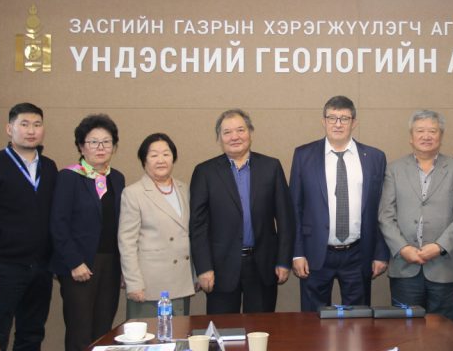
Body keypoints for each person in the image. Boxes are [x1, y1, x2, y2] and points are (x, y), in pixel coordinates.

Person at [0, 103, 58, 351]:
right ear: (10, 129)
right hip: (3, 268)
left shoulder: (49, 167)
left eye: (37, 125)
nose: (31, 130)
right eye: (24, 124)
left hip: (40, 268)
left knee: (32, 334)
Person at [190, 109, 294, 314]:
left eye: (240, 130)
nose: (235, 136)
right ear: (219, 138)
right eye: (227, 132)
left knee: (261, 328)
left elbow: (285, 219)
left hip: (263, 265)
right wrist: (203, 267)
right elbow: (197, 226)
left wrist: (284, 260)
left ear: (250, 132)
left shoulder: (271, 167)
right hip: (220, 268)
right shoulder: (205, 172)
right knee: (222, 329)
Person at [290, 95, 388, 311]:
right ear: (323, 121)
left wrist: (380, 253)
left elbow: (382, 209)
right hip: (315, 252)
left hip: (358, 253)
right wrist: (297, 252)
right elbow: (294, 208)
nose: (338, 124)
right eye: (332, 118)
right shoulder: (303, 155)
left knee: (358, 320)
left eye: (344, 118)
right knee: (313, 320)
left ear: (354, 123)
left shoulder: (374, 157)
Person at [378, 109, 453, 323]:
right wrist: (403, 248)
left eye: (432, 131)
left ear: (441, 135)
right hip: (405, 267)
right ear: (411, 137)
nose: (426, 136)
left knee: (444, 332)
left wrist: (439, 246)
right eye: (420, 131)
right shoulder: (394, 170)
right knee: (405, 330)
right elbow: (385, 215)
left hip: (445, 268)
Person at [49, 114, 125, 351]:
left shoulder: (117, 178)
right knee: (79, 332)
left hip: (110, 264)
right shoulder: (69, 177)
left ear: (114, 146)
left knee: (103, 330)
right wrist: (74, 262)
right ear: (81, 146)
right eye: (93, 142)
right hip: (80, 266)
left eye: (106, 142)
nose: (100, 147)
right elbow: (58, 223)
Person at [118, 133, 196, 318]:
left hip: (181, 280)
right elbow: (127, 241)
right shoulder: (134, 193)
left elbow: (193, 234)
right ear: (144, 160)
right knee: (150, 334)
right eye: (154, 155)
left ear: (173, 158)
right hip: (149, 286)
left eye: (166, 154)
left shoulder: (184, 189)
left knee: (179, 333)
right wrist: (133, 282)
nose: (161, 160)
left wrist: (196, 273)